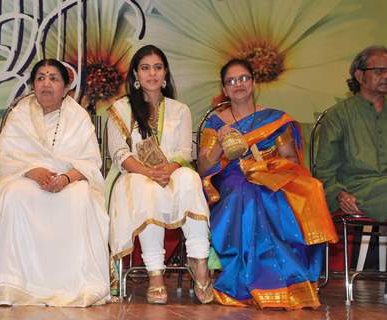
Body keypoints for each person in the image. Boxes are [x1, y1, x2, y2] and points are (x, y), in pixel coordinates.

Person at [198, 58, 338, 309]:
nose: (238, 84)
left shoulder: (274, 119)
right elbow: (204, 167)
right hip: (232, 180)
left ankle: (292, 282)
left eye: (243, 78)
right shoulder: (216, 123)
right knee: (249, 194)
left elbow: (290, 159)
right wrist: (221, 143)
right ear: (224, 88)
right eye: (231, 81)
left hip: (271, 174)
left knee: (299, 191)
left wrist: (265, 164)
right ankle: (248, 283)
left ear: (253, 82)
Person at [0, 59, 109, 307]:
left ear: (66, 87)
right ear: (33, 85)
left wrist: (67, 178)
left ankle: (74, 284)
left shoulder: (79, 117)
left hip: (69, 180)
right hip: (25, 178)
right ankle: (11, 282)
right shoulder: (19, 114)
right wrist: (31, 170)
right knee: (12, 195)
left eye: (53, 78)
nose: (46, 84)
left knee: (80, 197)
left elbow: (90, 162)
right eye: (40, 78)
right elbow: (6, 157)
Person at [106, 45, 213, 304]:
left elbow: (184, 152)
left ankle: (199, 262)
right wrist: (149, 172)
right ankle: (155, 273)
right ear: (135, 74)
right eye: (145, 68)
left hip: (172, 173)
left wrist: (168, 169)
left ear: (165, 73)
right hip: (134, 176)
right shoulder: (120, 109)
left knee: (191, 178)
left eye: (157, 67)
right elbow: (120, 154)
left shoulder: (180, 109)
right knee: (146, 189)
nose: (152, 74)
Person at [316, 46, 387, 221]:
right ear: (359, 75)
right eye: (379, 71)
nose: (386, 76)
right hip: (358, 190)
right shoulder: (338, 115)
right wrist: (339, 195)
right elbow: (324, 171)